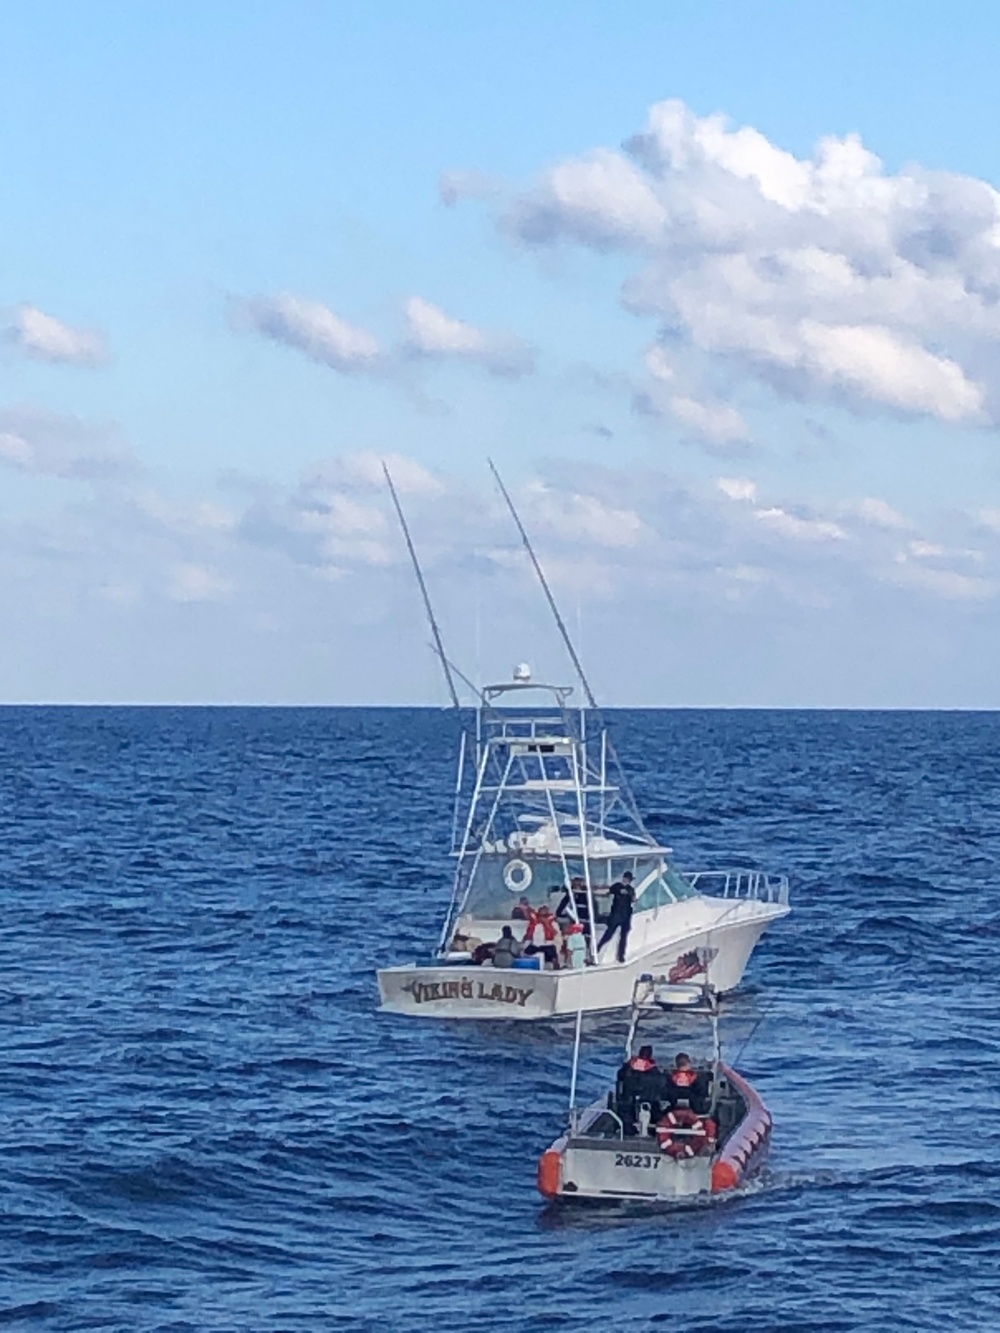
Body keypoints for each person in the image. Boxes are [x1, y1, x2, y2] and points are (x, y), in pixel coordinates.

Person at [596, 870, 635, 963]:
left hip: (620, 915)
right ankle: (619, 955)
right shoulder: (628, 889)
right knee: (616, 935)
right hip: (622, 915)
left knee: (613, 934)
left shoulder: (619, 887)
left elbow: (608, 892)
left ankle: (600, 948)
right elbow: (633, 899)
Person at [523, 904, 562, 969]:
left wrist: (547, 924)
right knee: (526, 951)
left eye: (544, 916)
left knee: (552, 951)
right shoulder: (535, 924)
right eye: (540, 916)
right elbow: (529, 936)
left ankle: (556, 968)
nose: (542, 918)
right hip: (536, 946)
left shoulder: (553, 924)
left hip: (548, 945)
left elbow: (556, 934)